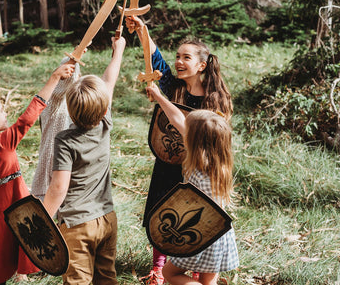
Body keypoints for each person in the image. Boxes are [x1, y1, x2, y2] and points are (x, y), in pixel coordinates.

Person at [126, 15, 233, 285]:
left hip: (198, 168)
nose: (179, 62)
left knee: (195, 217)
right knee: (163, 214)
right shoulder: (174, 87)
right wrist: (143, 30)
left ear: (202, 65)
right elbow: (156, 61)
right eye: (178, 56)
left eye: (186, 57)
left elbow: (199, 132)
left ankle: (198, 271)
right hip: (169, 162)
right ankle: (158, 270)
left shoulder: (214, 99)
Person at [0, 62, 75, 285]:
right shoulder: (2, 143)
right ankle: (17, 272)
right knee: (7, 250)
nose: (6, 112)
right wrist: (54, 77)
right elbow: (30, 115)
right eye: (1, 111)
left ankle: (14, 273)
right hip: (9, 207)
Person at [42, 36, 126, 285]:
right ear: (103, 110)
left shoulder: (65, 140)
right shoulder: (104, 123)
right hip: (108, 218)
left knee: (77, 281)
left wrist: (43, 221)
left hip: (77, 225)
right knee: (106, 277)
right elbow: (109, 81)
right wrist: (117, 51)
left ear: (69, 107)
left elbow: (58, 188)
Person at [145, 83, 239, 285]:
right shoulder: (219, 164)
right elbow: (178, 118)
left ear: (195, 140)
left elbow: (178, 121)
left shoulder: (199, 167)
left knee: (171, 274)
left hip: (200, 234)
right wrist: (160, 97)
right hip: (220, 234)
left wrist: (160, 97)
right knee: (209, 281)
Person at [31, 56, 81, 201]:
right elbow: (61, 90)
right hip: (48, 176)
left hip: (70, 176)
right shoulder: (54, 104)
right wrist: (73, 62)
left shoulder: (79, 106)